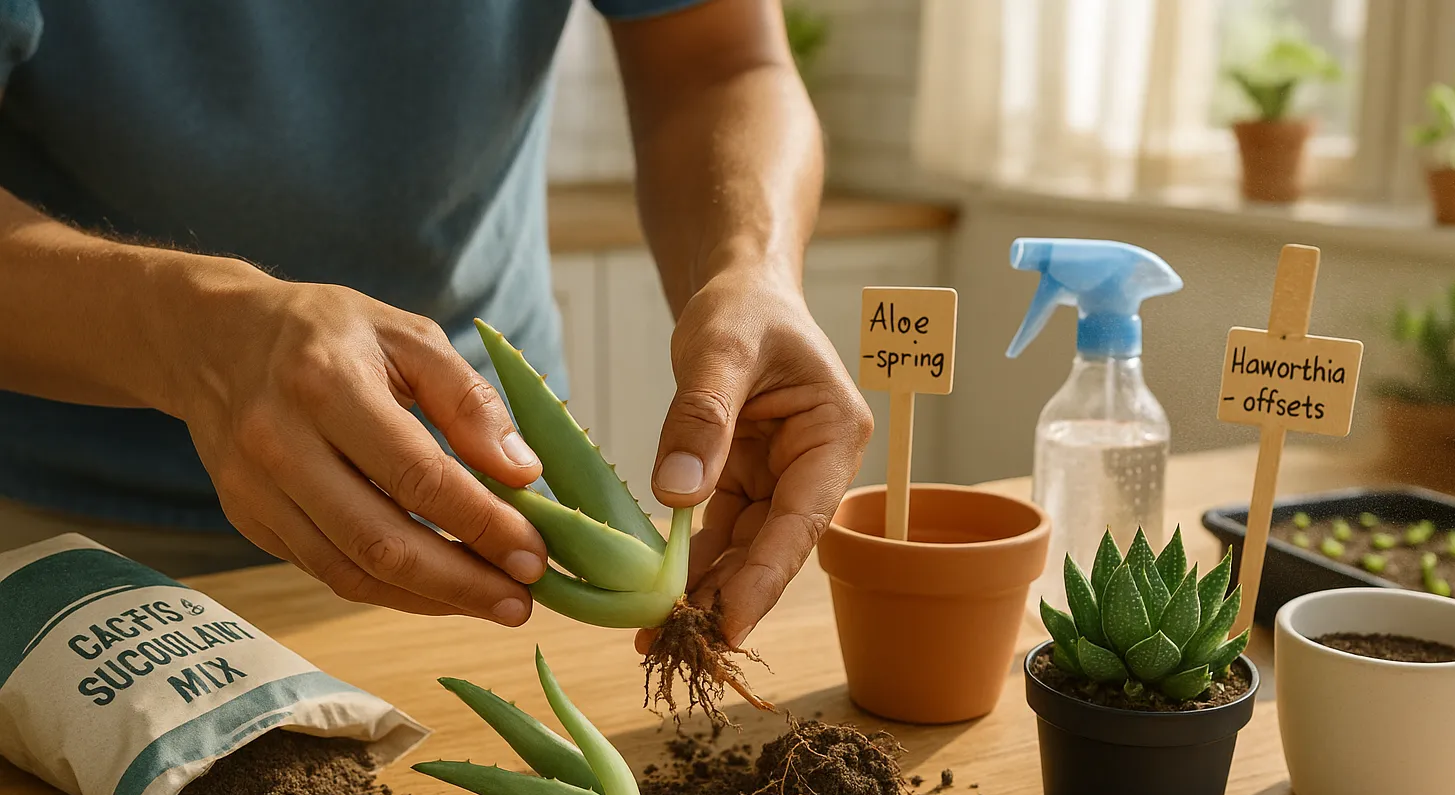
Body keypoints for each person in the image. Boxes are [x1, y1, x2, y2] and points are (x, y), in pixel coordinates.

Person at [0, 0, 872, 651]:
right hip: (82, 537)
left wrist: (750, 269)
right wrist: (196, 338)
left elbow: (717, 58)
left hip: (497, 519)